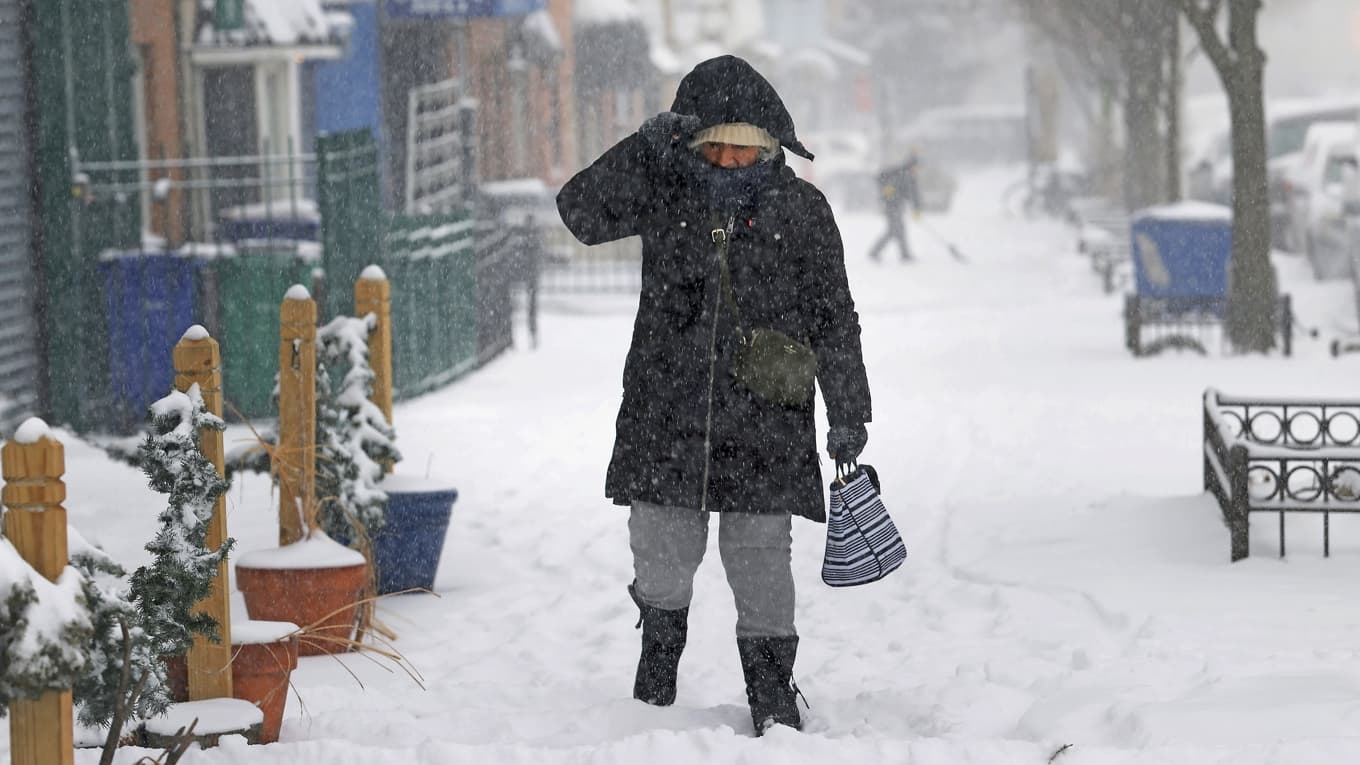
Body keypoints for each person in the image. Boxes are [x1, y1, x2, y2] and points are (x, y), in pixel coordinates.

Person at [555, 55, 872, 736]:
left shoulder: (802, 210)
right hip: (666, 413)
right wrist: (644, 146)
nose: (729, 162)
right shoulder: (663, 190)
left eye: (745, 148)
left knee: (760, 561)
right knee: (661, 556)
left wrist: (850, 411)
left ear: (771, 146)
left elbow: (834, 318)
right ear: (689, 145)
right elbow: (579, 211)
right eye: (714, 147)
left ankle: (772, 694)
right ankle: (656, 671)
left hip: (767, 421)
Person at [868, 151, 922, 262]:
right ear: (911, 165)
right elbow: (879, 177)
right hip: (890, 206)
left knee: (898, 229)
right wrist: (885, 188)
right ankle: (875, 252)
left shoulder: (911, 177)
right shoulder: (898, 172)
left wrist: (917, 209)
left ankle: (903, 254)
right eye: (916, 167)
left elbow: (914, 194)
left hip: (898, 206)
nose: (917, 170)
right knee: (894, 230)